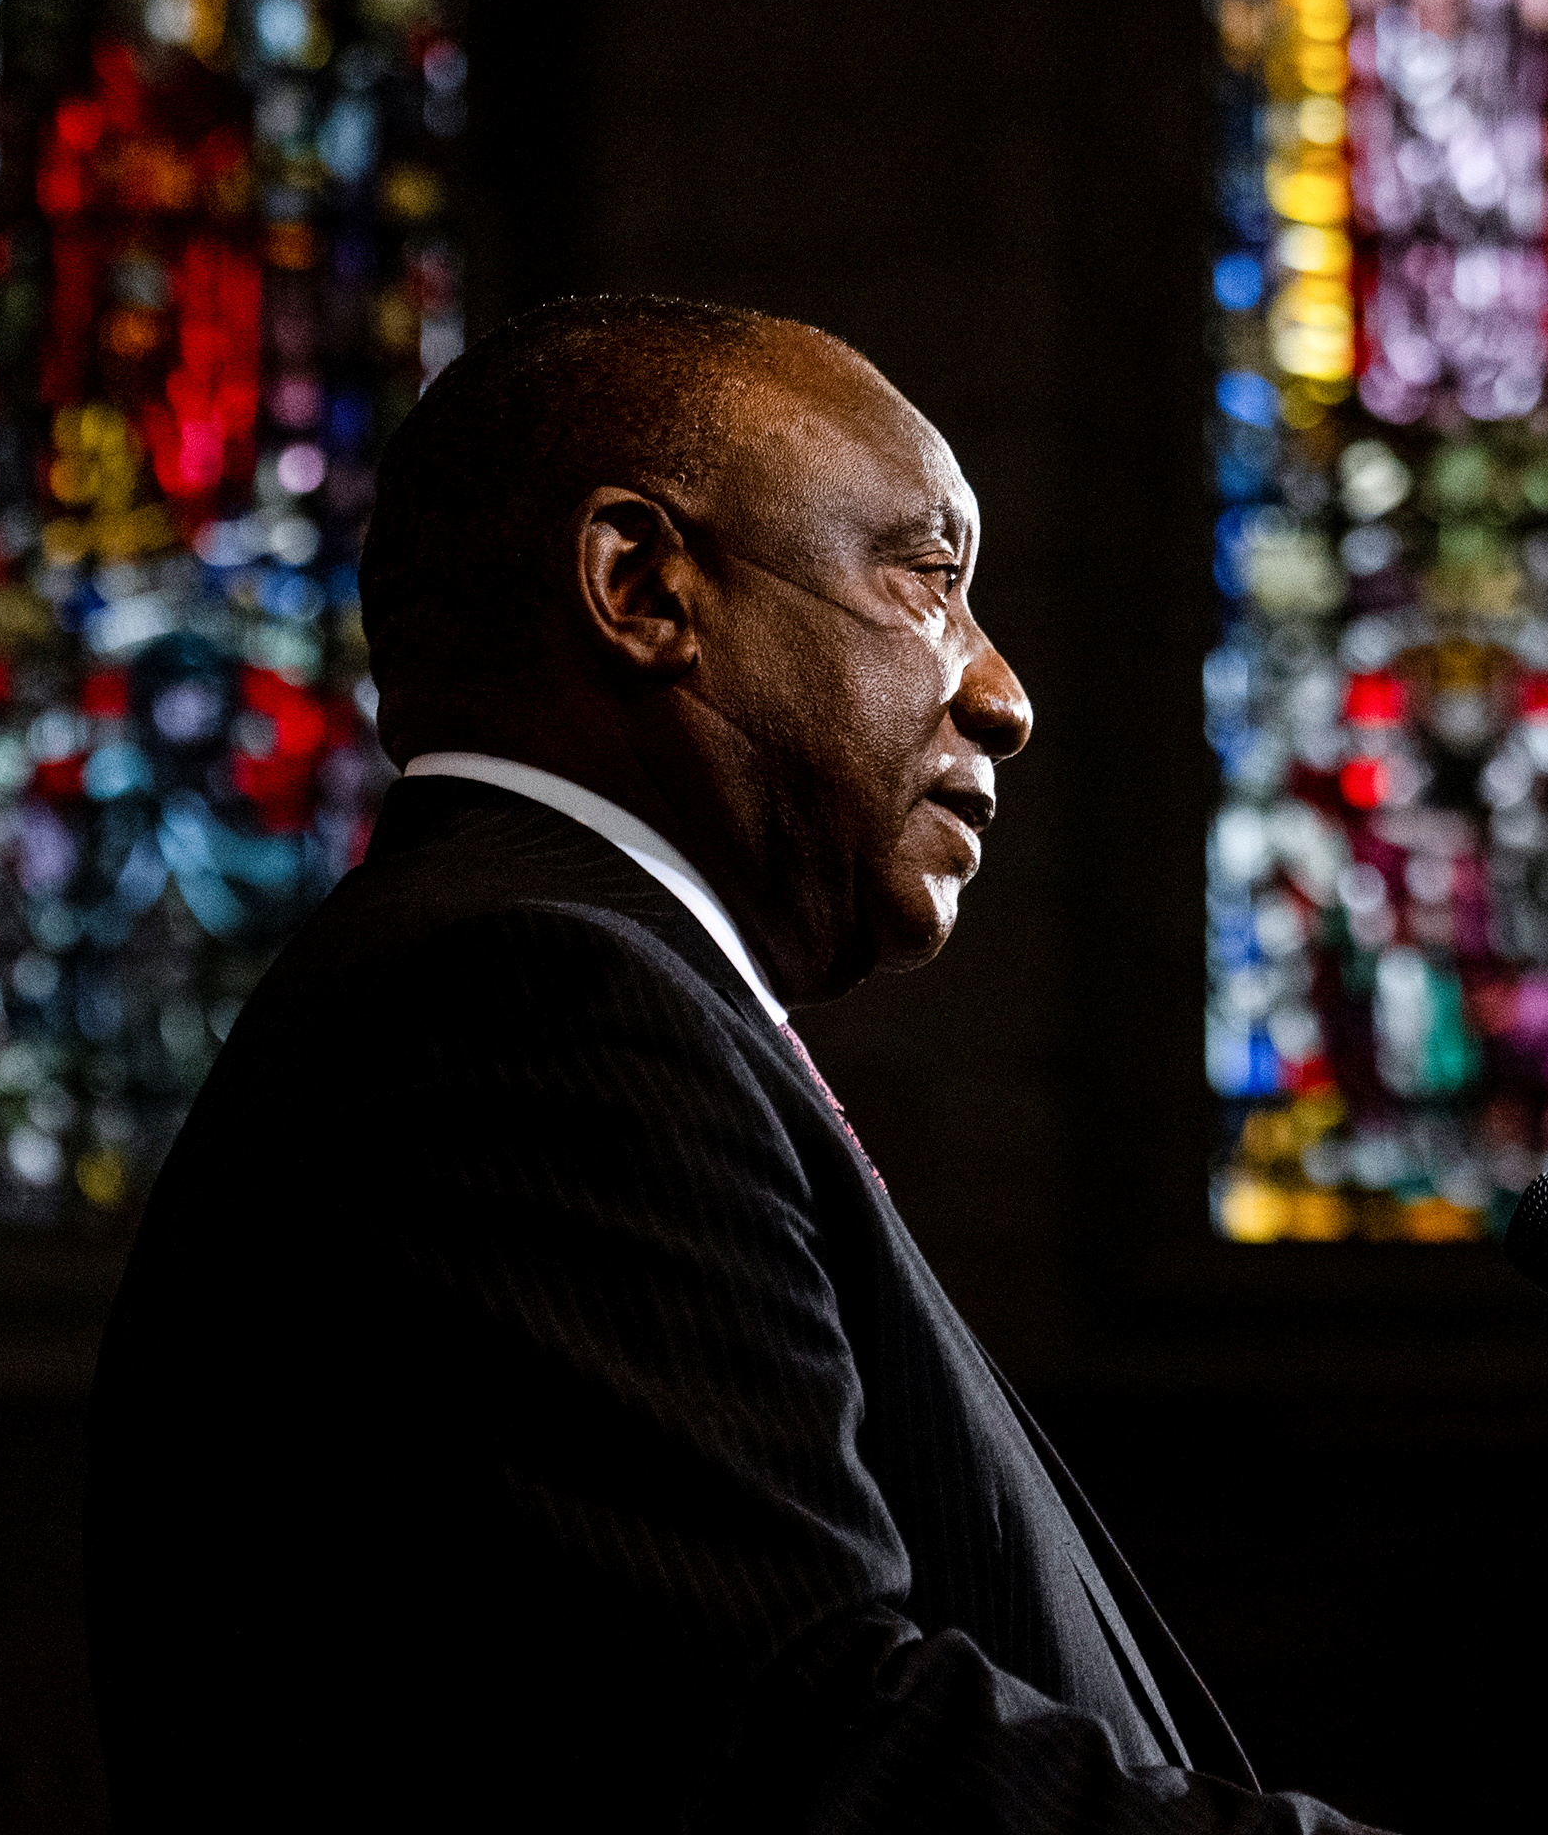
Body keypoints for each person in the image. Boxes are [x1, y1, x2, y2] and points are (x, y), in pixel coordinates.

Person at [87, 295, 1383, 1834]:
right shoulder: (530, 1004)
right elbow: (803, 1743)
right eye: (929, 580)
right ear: (642, 589)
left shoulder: (542, 984)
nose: (1004, 695)